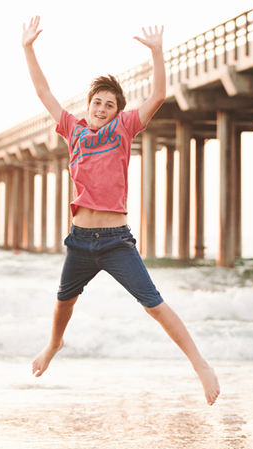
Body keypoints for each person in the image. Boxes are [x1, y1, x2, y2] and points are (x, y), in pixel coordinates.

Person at [22, 16, 220, 406]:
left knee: (154, 305)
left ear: (117, 112)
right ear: (89, 105)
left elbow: (159, 95)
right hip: (80, 241)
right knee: (64, 300)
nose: (101, 108)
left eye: (109, 105)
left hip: (114, 241)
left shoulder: (124, 129)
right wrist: (28, 47)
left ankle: (200, 365)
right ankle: (54, 344)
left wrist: (158, 53)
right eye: (97, 102)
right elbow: (43, 91)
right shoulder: (72, 129)